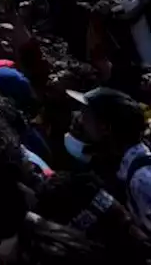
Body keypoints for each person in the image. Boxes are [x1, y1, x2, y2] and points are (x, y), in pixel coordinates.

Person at [65, 87, 152, 233]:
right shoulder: (118, 162)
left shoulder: (142, 179)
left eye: (86, 116)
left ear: (105, 127)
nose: (79, 120)